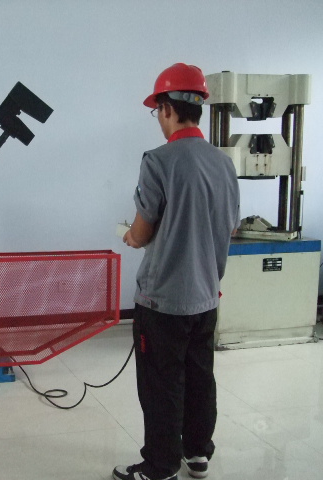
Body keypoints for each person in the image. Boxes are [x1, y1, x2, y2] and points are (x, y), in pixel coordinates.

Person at [112, 63, 240, 480]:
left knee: (161, 383)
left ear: (166, 108)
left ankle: (160, 464)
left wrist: (130, 236)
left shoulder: (159, 161)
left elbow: (142, 231)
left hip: (163, 300)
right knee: (200, 376)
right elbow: (229, 227)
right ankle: (197, 453)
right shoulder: (223, 163)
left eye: (157, 110)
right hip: (206, 296)